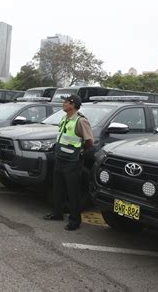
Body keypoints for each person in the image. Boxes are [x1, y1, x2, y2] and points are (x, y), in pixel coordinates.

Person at [43, 94, 93, 231]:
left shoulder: (81, 121)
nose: (64, 104)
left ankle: (75, 220)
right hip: (60, 158)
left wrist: (79, 151)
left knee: (73, 191)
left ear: (73, 104)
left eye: (66, 102)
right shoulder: (65, 118)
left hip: (73, 161)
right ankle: (57, 213)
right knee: (58, 188)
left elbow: (89, 141)